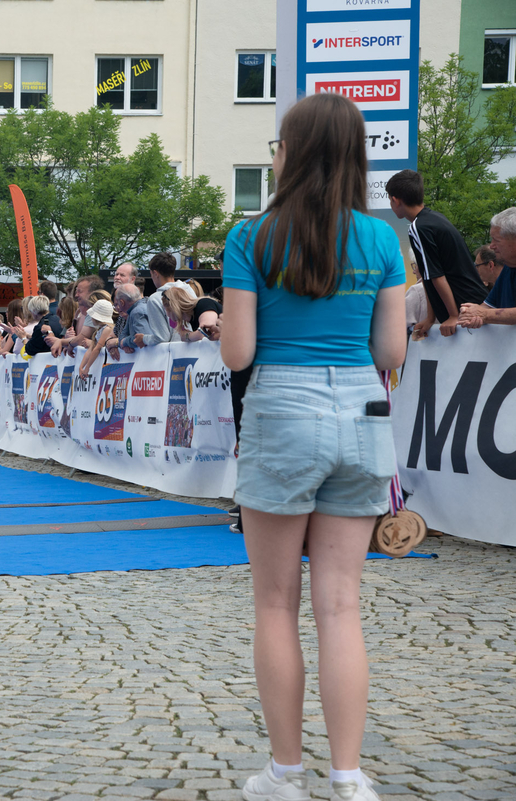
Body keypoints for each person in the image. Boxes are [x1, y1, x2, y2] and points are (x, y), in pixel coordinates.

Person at [220, 92, 408, 801]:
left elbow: (237, 354)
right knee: (341, 606)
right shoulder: (382, 240)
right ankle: (349, 776)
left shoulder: (252, 237)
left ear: (291, 153)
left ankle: (285, 773)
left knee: (276, 604)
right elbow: (390, 351)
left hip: (283, 409)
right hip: (362, 409)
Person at [386, 169, 487, 339]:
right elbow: (428, 277)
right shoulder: (434, 219)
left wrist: (453, 315)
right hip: (473, 301)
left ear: (395, 200)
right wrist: (430, 318)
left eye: (390, 200)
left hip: (465, 310)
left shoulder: (418, 227)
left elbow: (436, 276)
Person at [459, 208, 516, 328]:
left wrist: (485, 315)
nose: (492, 246)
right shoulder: (508, 267)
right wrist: (470, 313)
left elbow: (486, 312)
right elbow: (489, 306)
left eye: (496, 240)